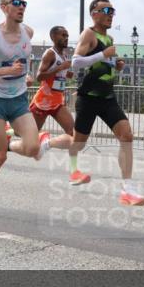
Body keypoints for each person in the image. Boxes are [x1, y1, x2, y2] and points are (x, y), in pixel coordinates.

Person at [0, 0, 71, 217]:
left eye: (24, 3)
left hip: (18, 99)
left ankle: (7, 144)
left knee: (33, 148)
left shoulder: (28, 32)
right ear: (4, 7)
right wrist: (8, 70)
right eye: (16, 2)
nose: (21, 6)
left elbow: (24, 61)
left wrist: (25, 75)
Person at [69, 0, 144, 206]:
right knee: (78, 143)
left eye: (113, 11)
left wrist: (116, 64)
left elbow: (105, 63)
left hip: (107, 97)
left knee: (126, 135)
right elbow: (76, 62)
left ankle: (127, 189)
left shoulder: (109, 38)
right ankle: (49, 143)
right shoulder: (88, 34)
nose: (111, 14)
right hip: (88, 98)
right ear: (94, 13)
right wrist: (103, 54)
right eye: (106, 10)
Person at [29, 25, 91, 185]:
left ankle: (74, 172)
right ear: (54, 37)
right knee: (28, 136)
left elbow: (58, 75)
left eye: (67, 35)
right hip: (42, 102)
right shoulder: (50, 53)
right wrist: (60, 68)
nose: (66, 38)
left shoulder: (64, 55)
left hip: (57, 102)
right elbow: (39, 76)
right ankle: (9, 131)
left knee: (73, 134)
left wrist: (66, 73)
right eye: (63, 35)